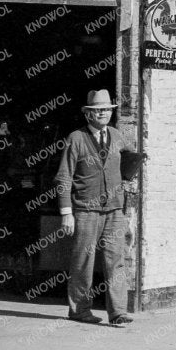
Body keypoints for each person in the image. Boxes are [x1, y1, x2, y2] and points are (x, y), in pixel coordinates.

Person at [54, 89, 140, 326]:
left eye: (106, 110)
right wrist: (66, 213)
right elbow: (63, 178)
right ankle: (80, 310)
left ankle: (118, 312)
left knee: (117, 260)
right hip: (85, 211)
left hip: (114, 210)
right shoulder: (76, 138)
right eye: (97, 110)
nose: (103, 113)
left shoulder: (116, 135)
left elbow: (128, 161)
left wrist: (133, 167)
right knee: (83, 261)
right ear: (88, 114)